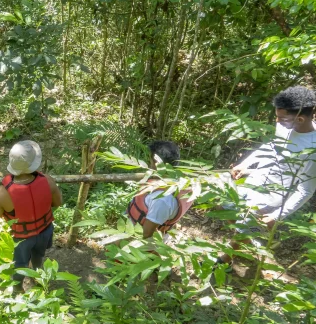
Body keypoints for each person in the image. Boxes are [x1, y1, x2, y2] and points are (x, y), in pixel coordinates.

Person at [217, 86, 316, 267]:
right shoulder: (285, 126)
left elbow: (306, 190)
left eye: (281, 118)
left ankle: (222, 262)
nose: (277, 121)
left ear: (300, 118)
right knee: (224, 206)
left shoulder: (313, 149)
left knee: (243, 230)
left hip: (271, 197)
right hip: (252, 182)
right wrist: (245, 165)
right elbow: (271, 146)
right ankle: (249, 236)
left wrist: (277, 215)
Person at [0, 141, 62, 292]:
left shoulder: (2, 193)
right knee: (38, 256)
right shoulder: (47, 180)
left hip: (20, 237)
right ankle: (39, 279)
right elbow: (58, 202)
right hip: (44, 230)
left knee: (19, 264)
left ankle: (18, 288)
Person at [126, 141, 194, 240]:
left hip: (141, 242)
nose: (149, 164)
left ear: (156, 163)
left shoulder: (162, 200)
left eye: (150, 161)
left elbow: (146, 234)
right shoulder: (179, 182)